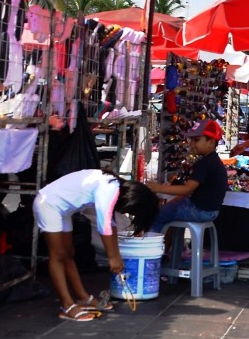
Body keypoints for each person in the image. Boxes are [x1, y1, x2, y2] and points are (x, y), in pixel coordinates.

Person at [34, 170, 159, 321]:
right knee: (58, 255)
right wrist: (112, 257)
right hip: (49, 204)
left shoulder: (114, 186)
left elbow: (110, 224)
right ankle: (67, 305)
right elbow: (104, 225)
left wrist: (116, 255)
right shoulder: (109, 188)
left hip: (63, 209)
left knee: (68, 254)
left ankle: (82, 297)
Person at [147, 119, 229, 233]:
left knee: (161, 214)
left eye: (196, 140)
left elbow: (187, 189)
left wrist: (158, 188)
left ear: (211, 142)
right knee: (172, 209)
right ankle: (174, 247)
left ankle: (150, 244)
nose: (192, 144)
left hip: (201, 211)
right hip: (211, 211)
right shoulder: (213, 161)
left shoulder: (204, 164)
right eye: (192, 140)